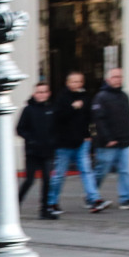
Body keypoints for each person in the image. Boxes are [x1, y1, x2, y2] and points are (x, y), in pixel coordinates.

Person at [49, 72, 99, 214]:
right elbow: (58, 117)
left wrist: (90, 135)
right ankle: (52, 202)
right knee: (59, 174)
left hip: (82, 142)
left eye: (78, 82)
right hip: (64, 143)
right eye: (73, 81)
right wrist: (73, 107)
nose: (76, 84)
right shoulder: (61, 98)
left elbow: (90, 118)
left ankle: (94, 198)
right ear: (67, 83)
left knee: (87, 171)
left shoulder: (86, 98)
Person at [90, 68, 129, 211]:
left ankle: (126, 199)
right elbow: (99, 121)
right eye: (115, 77)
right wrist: (108, 138)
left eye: (120, 77)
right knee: (101, 171)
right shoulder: (101, 97)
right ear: (108, 79)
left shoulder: (125, 96)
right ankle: (91, 194)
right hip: (107, 143)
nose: (118, 79)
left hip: (124, 141)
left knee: (125, 171)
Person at [16, 82, 58, 219]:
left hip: (48, 151)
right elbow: (20, 129)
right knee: (29, 180)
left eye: (44, 92)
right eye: (39, 92)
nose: (41, 95)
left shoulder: (52, 109)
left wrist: (54, 141)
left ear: (48, 93)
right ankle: (15, 205)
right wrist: (31, 139)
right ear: (34, 94)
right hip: (33, 151)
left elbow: (57, 128)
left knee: (47, 180)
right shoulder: (28, 110)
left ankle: (44, 209)